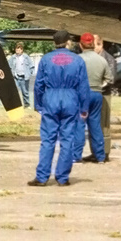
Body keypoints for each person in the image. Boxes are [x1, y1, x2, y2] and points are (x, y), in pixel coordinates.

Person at [29, 30, 90, 187]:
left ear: (54, 43)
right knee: (67, 138)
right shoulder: (78, 61)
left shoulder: (46, 59)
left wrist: (38, 104)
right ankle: (62, 177)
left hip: (51, 98)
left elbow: (38, 84)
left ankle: (42, 177)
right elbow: (83, 86)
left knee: (48, 139)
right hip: (70, 98)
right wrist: (84, 107)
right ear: (68, 42)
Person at [77, 32, 113, 164]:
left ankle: (76, 155)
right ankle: (100, 156)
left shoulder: (78, 59)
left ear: (81, 45)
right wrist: (98, 86)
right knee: (95, 125)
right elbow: (109, 79)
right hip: (97, 94)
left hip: (83, 95)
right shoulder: (102, 60)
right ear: (93, 44)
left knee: (80, 125)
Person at [94, 35, 117, 158]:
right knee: (94, 123)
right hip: (95, 93)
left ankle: (105, 151)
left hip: (104, 94)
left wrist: (97, 86)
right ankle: (96, 152)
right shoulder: (95, 58)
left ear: (100, 45)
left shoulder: (109, 59)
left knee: (104, 124)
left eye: (94, 46)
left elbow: (111, 78)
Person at [8, 43, 35, 108]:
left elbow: (32, 66)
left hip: (24, 77)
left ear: (22, 50)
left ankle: (27, 105)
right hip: (16, 77)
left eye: (19, 50)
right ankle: (15, 105)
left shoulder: (26, 57)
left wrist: (29, 73)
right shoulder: (13, 57)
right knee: (14, 91)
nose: (17, 51)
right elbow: (9, 66)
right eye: (16, 49)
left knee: (25, 92)